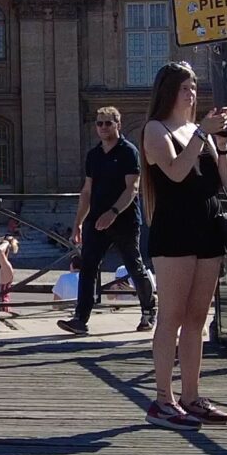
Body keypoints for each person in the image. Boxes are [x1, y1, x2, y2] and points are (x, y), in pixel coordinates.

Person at [141, 60, 227, 429]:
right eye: (184, 88)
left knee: (197, 317)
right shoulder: (155, 130)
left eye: (194, 88)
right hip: (175, 228)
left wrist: (221, 145)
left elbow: (223, 183)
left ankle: (191, 395)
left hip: (208, 227)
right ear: (168, 92)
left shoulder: (200, 131)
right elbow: (176, 173)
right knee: (172, 316)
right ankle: (163, 398)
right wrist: (201, 136)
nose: (191, 94)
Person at [60, 105, 155, 336]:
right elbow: (87, 191)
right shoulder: (93, 155)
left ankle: (148, 311)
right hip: (97, 221)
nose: (103, 127)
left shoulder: (128, 152)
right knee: (88, 267)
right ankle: (80, 319)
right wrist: (79, 222)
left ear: (117, 125)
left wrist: (113, 212)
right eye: (99, 123)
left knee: (134, 266)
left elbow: (132, 188)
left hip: (123, 219)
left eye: (108, 123)